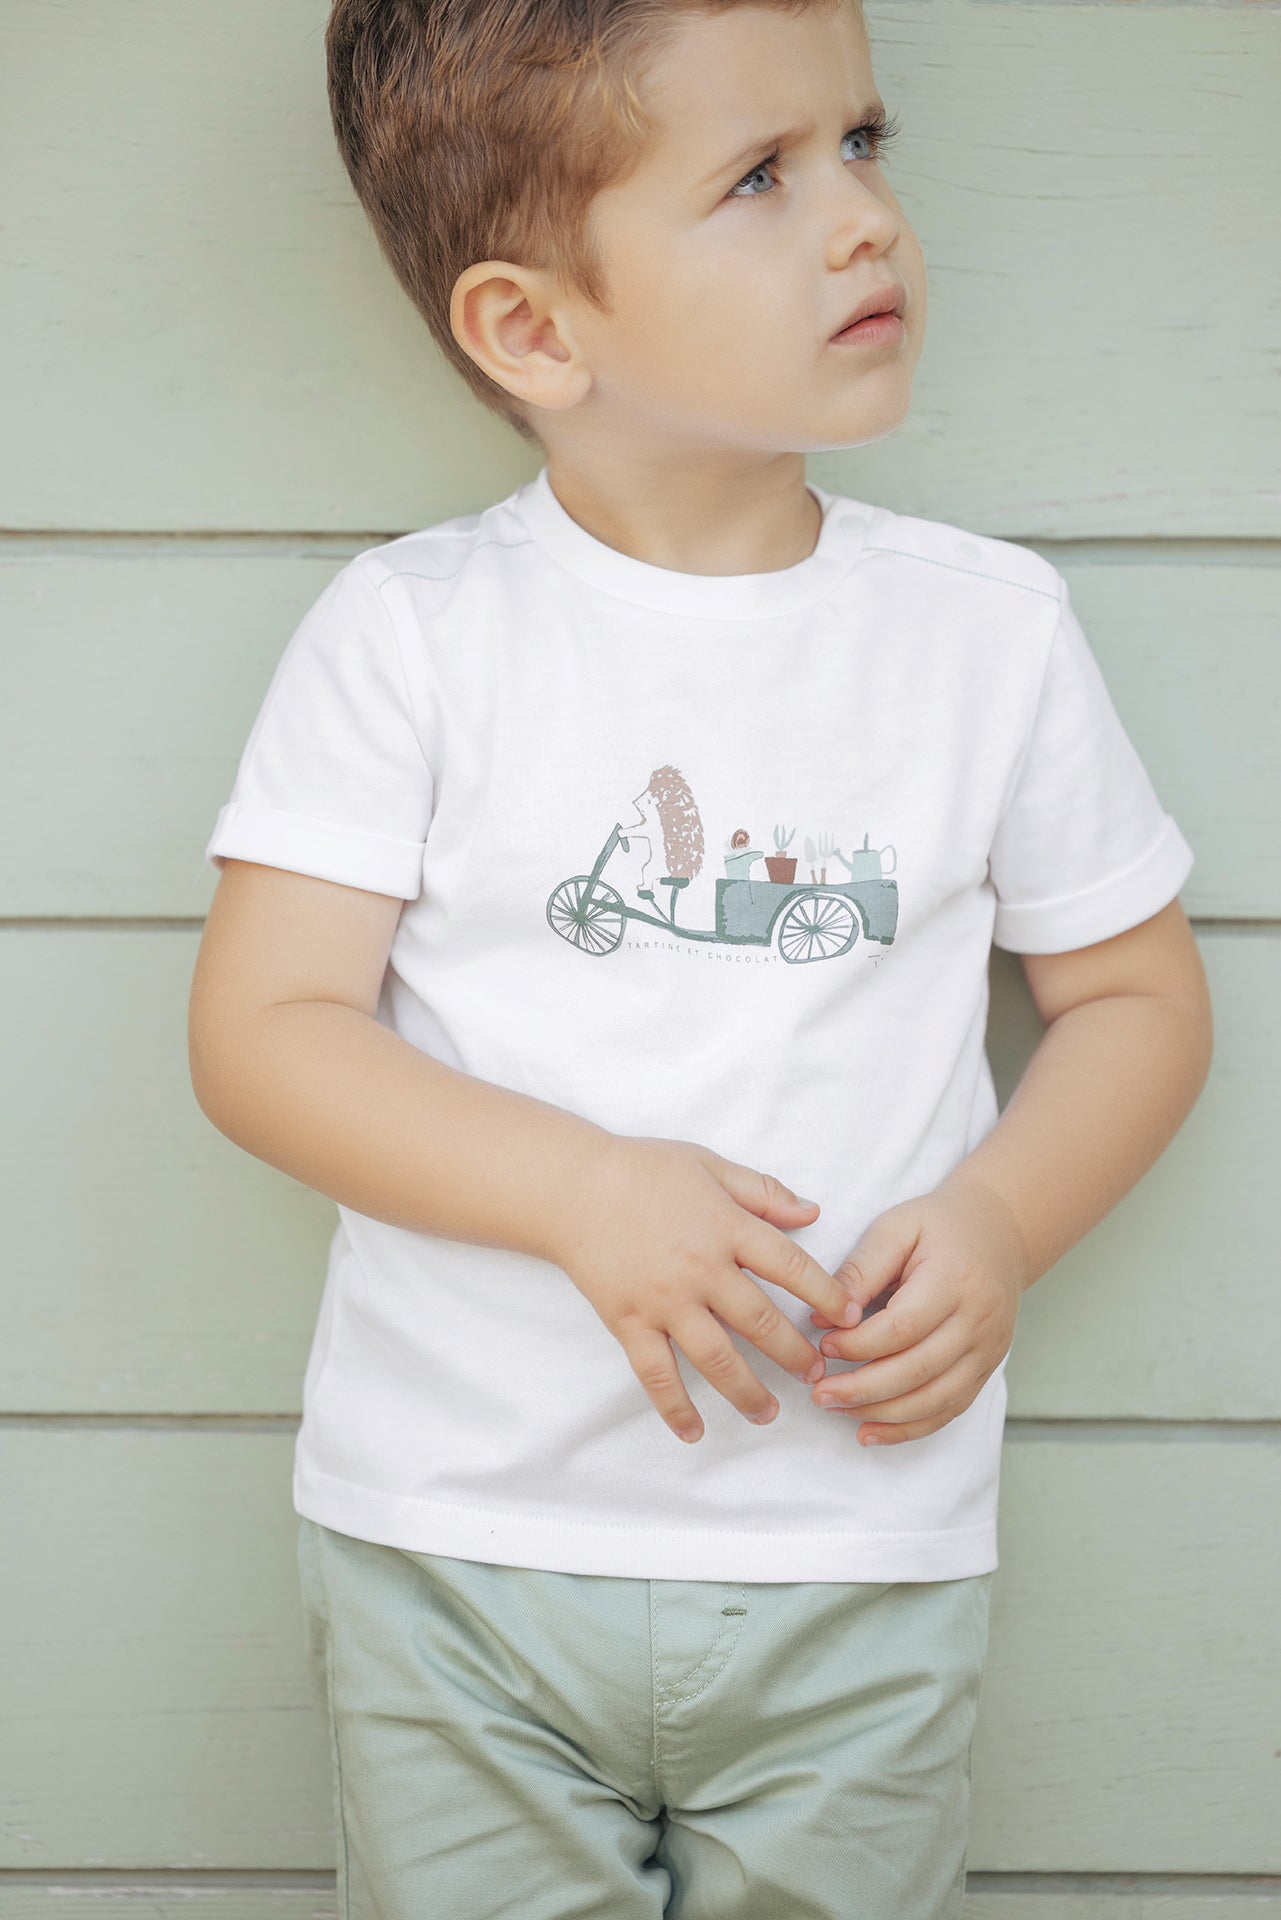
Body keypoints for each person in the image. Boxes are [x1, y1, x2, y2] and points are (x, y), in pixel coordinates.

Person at [187, 0, 1214, 1913]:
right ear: (531, 330)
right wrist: (580, 1188)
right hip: (460, 1549)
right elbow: (264, 1031)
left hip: (856, 1551)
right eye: (759, 176)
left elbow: (1136, 1000)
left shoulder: (985, 637)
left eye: (861, 144)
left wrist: (1000, 1225)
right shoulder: (413, 635)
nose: (864, 219)